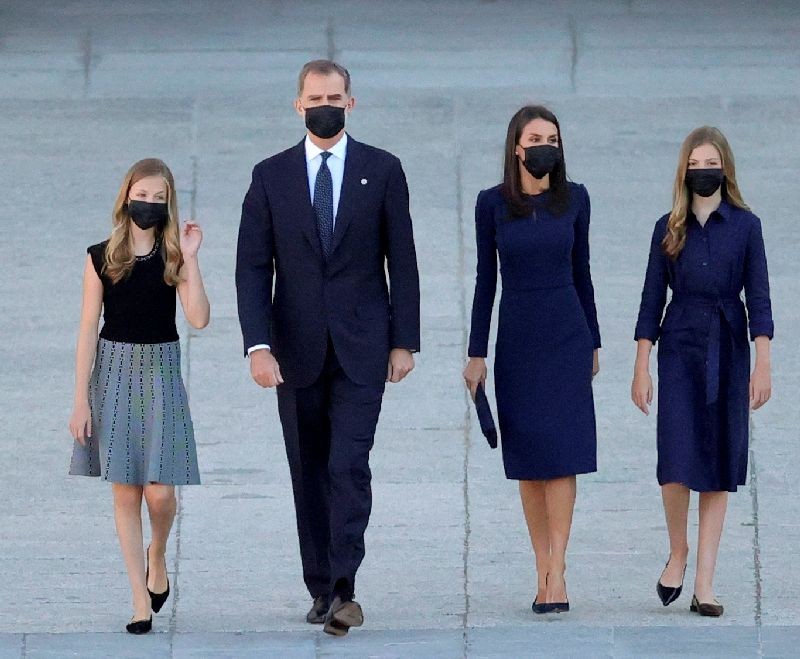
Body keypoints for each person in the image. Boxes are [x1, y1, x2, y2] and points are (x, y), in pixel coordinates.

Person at [235, 59, 420, 637]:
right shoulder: (270, 176)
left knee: (348, 464)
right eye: (315, 97)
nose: (325, 105)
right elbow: (251, 266)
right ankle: (321, 586)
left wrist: (404, 341)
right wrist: (258, 346)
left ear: (351, 103)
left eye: (335, 97)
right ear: (297, 105)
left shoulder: (383, 170)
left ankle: (344, 586)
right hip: (295, 352)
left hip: (364, 347)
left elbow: (403, 260)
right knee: (307, 469)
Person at [463, 105, 601, 615]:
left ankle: (557, 570)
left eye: (553, 138)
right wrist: (476, 353)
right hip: (517, 335)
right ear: (517, 147)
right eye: (536, 137)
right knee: (528, 457)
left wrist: (595, 340)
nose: (545, 145)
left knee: (563, 453)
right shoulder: (492, 204)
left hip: (566, 331)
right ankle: (539, 562)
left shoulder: (576, 200)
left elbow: (582, 270)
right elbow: (485, 280)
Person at [632, 126, 773, 617]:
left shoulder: (746, 227)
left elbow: (759, 299)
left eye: (709, 162)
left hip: (730, 350)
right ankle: (679, 550)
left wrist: (763, 364)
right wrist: (641, 366)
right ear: (683, 172)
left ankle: (706, 584)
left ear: (725, 167)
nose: (702, 171)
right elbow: (652, 300)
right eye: (693, 164)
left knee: (717, 463)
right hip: (680, 349)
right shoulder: (667, 227)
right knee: (675, 458)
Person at [68, 158, 210, 634]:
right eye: (141, 194)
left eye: (157, 197)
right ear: (125, 194)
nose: (147, 203)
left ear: (168, 202)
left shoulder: (173, 258)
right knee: (125, 491)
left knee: (160, 493)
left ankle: (158, 553)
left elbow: (199, 319)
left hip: (161, 373)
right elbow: (89, 327)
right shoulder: (100, 256)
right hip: (113, 372)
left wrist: (191, 256)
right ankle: (138, 601)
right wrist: (79, 400)